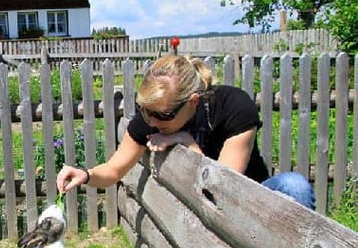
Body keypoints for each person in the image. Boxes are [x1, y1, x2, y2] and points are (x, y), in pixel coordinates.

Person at [56, 54, 315, 209]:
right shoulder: (153, 116)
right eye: (146, 111)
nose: (153, 121)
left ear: (192, 101)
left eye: (162, 115)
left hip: (247, 199)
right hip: (203, 212)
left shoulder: (234, 106)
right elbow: (113, 170)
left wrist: (188, 143)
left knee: (294, 185)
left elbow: (224, 185)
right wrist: (85, 174)